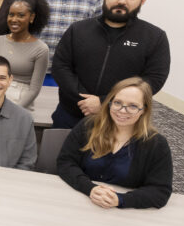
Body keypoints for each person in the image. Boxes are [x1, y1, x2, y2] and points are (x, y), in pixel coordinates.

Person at [51, 0, 170, 129]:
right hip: (71, 113)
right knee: (61, 153)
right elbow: (61, 66)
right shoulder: (78, 29)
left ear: (143, 0)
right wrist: (85, 101)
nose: (122, 1)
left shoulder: (155, 37)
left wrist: (104, 102)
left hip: (120, 120)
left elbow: (153, 80)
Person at [57, 77, 173, 209]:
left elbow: (160, 191)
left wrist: (120, 199)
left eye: (133, 106)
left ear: (144, 110)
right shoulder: (88, 126)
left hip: (123, 215)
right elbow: (65, 162)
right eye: (117, 103)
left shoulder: (156, 144)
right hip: (81, 201)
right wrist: (90, 188)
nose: (122, 111)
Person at [0, 0, 50, 109]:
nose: (14, 19)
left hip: (21, 101)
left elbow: (34, 89)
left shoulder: (41, 49)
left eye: (21, 15)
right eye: (11, 14)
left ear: (31, 17)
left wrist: (15, 110)